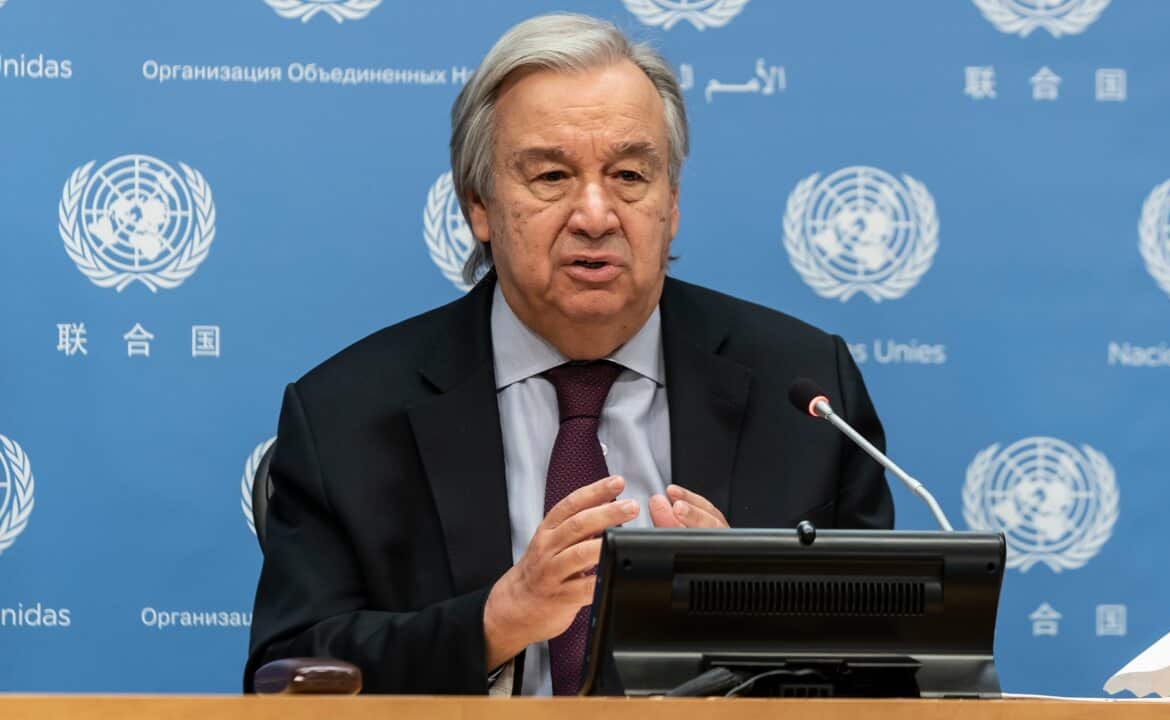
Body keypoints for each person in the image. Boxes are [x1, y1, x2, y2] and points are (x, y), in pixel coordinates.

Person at [245, 12, 892, 696]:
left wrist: (752, 611)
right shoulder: (346, 415)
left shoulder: (806, 394)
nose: (595, 213)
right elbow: (287, 673)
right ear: (478, 206)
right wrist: (495, 622)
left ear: (671, 203)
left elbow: (889, 671)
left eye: (630, 176)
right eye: (552, 176)